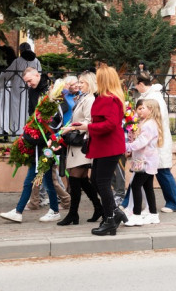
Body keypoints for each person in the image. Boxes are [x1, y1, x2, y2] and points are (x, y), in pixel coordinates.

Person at [0, 75, 64, 225]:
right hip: (40, 149)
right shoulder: (47, 106)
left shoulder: (54, 108)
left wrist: (33, 136)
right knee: (47, 181)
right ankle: (53, 210)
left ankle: (18, 211)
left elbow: (53, 127)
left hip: (45, 149)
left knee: (31, 181)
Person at [55, 71, 103, 226]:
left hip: (82, 144)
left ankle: (73, 214)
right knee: (82, 180)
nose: (79, 84)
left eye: (82, 82)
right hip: (77, 144)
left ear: (89, 82)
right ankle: (98, 208)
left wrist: (72, 129)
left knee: (75, 178)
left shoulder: (90, 99)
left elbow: (89, 122)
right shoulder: (83, 98)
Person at [88, 65, 129, 236]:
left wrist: (87, 126)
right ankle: (114, 212)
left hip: (109, 146)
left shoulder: (110, 99)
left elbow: (110, 124)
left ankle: (110, 218)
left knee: (102, 182)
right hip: (104, 146)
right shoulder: (107, 97)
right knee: (96, 180)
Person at [136, 73, 176, 213]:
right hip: (152, 140)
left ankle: (174, 203)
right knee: (142, 174)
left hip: (157, 140)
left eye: (136, 85)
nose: (135, 88)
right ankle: (131, 203)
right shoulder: (148, 97)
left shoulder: (154, 98)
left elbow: (156, 119)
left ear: (141, 84)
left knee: (163, 171)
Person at [123, 99, 162, 226]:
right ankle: (153, 214)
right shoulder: (145, 122)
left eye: (143, 108)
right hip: (146, 160)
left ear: (151, 110)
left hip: (145, 161)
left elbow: (141, 142)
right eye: (139, 108)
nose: (139, 111)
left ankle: (137, 215)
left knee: (135, 185)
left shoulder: (148, 125)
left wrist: (126, 147)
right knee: (148, 187)